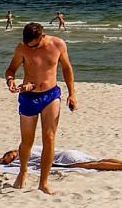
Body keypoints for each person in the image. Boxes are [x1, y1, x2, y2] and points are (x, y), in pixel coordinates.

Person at [5, 22, 77, 194]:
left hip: (51, 95)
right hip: (29, 96)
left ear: (42, 36)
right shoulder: (22, 48)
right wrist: (11, 82)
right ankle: (23, 171)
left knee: (49, 138)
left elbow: (67, 69)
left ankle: (43, 182)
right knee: (27, 141)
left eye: (35, 44)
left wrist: (72, 94)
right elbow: (11, 70)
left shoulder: (58, 44)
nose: (33, 48)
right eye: (30, 45)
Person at [0, 147, 122, 173]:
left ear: (11, 153)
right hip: (66, 152)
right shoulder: (32, 146)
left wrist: (3, 163)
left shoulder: (22, 154)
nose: (5, 161)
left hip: (63, 158)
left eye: (5, 157)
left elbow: (23, 164)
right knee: (96, 159)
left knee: (92, 165)